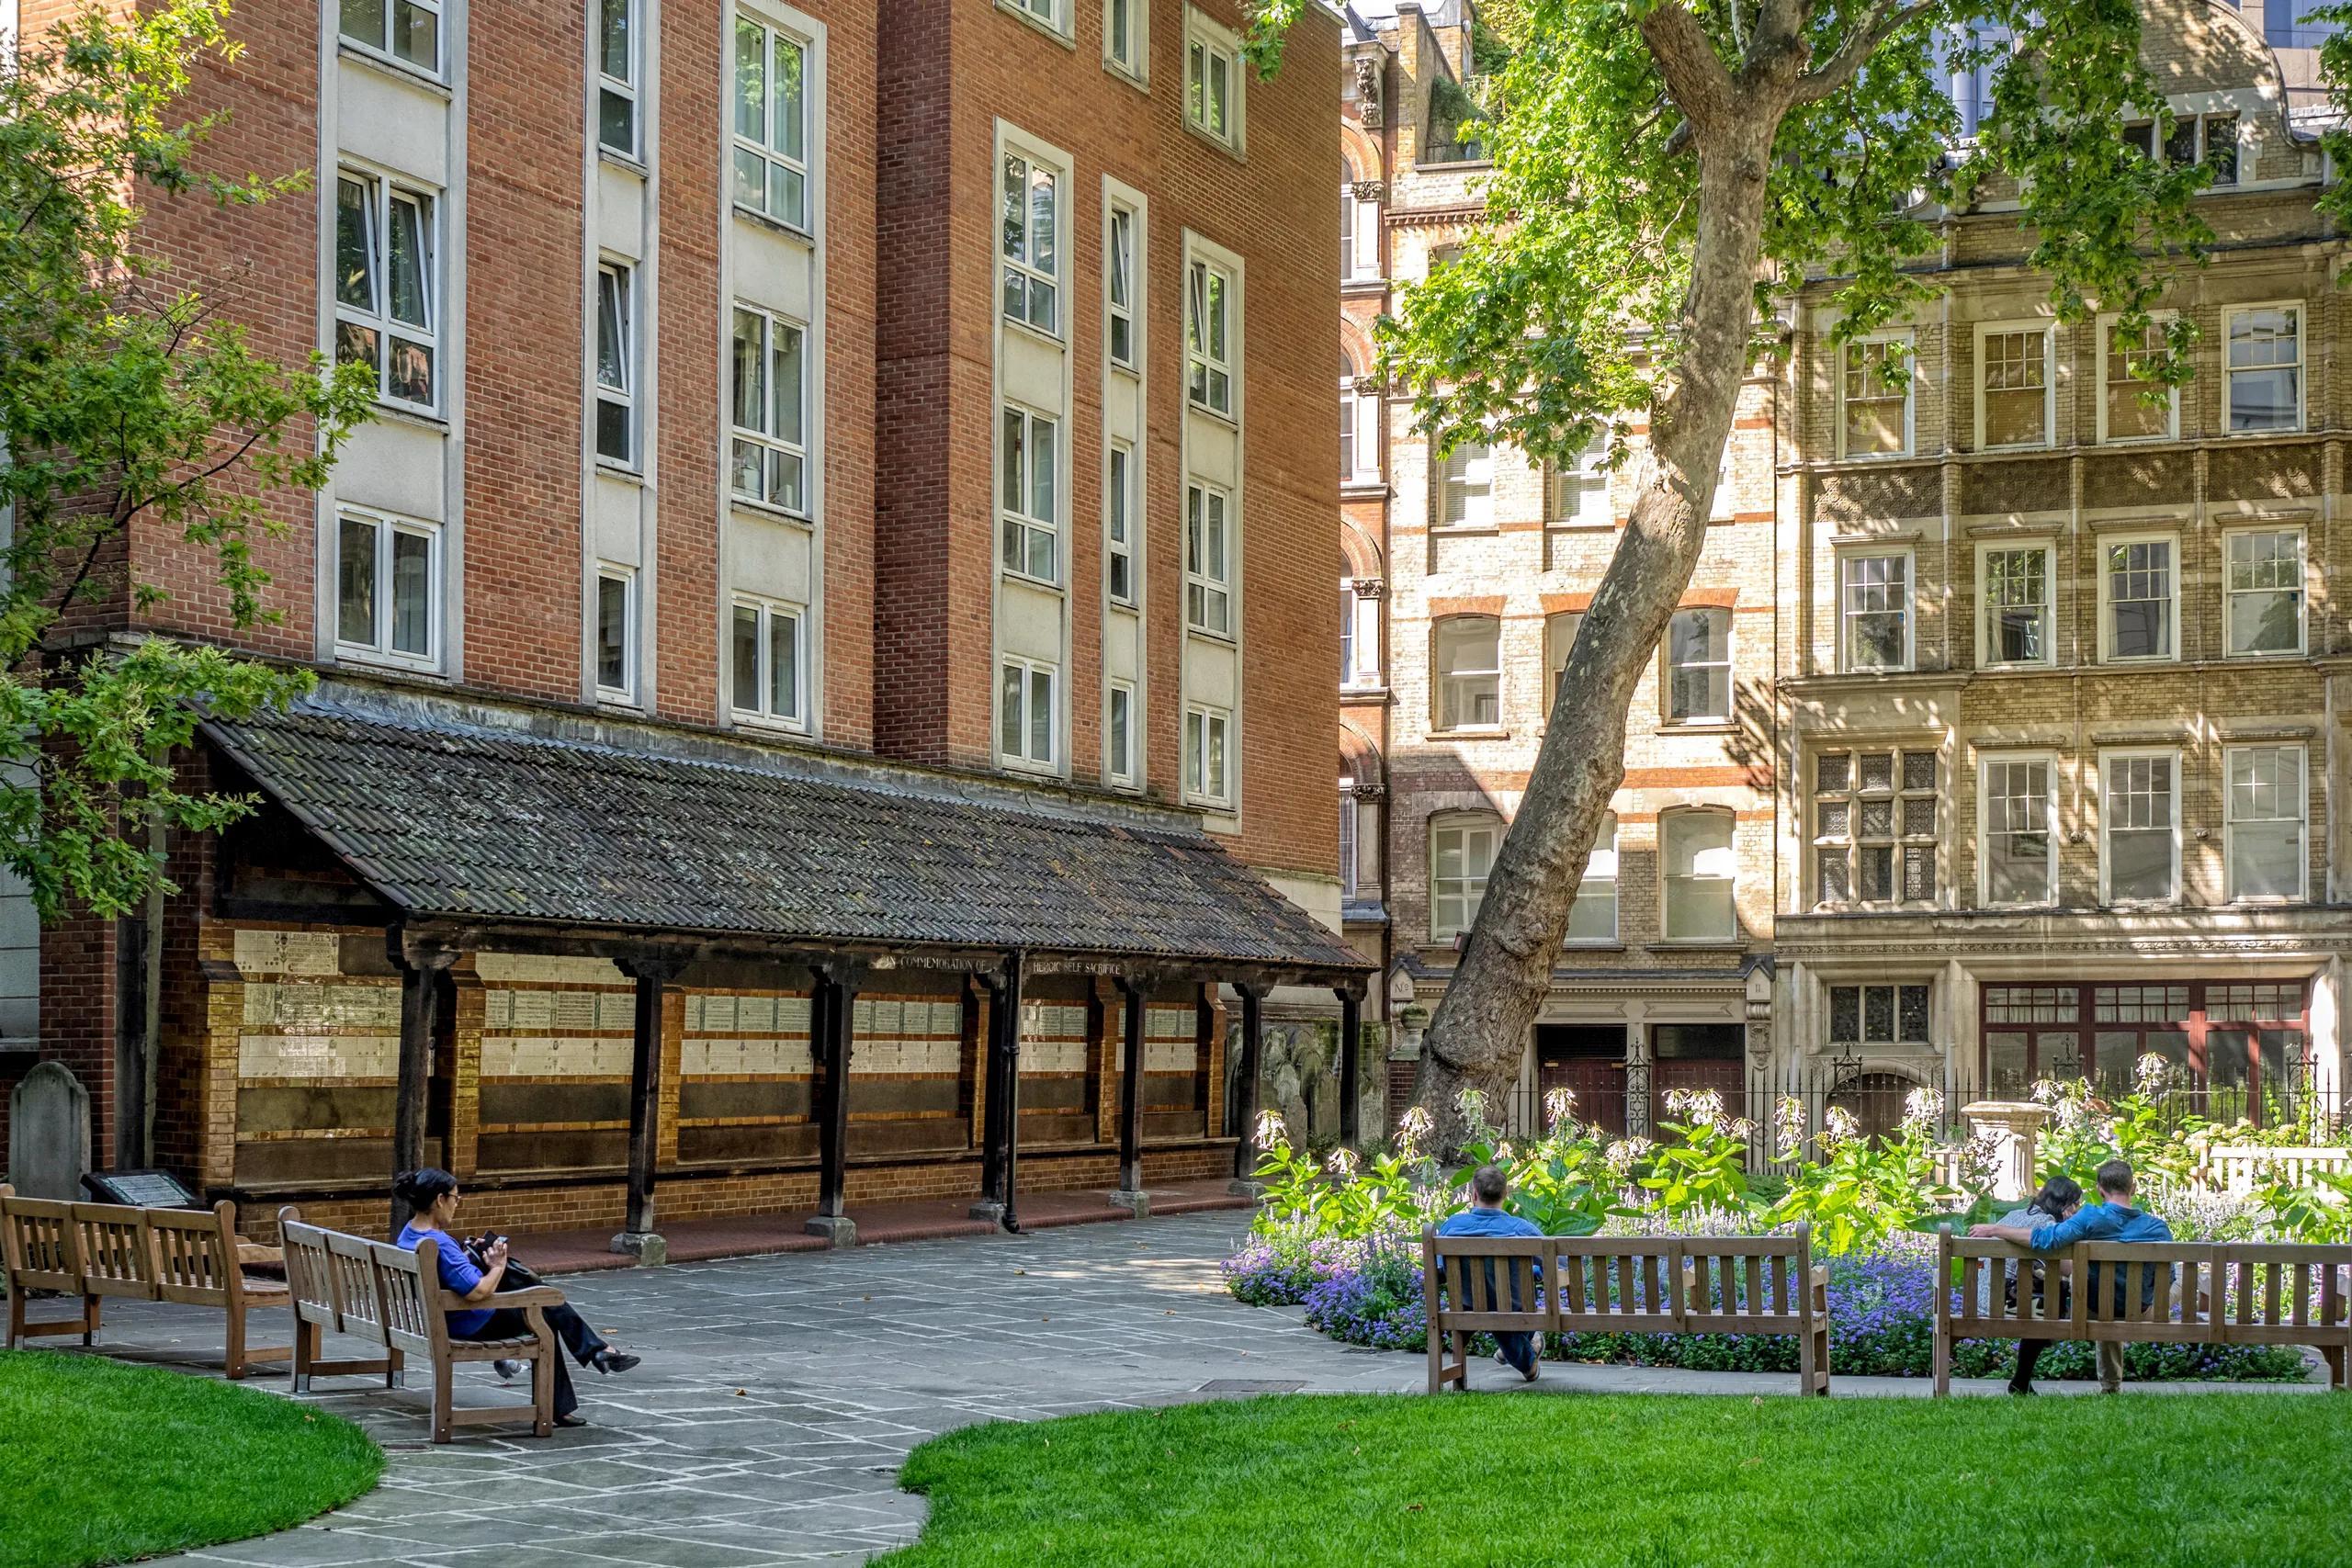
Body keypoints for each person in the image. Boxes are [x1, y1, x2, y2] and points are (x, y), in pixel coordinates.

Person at [392, 1168, 641, 1427]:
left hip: (440, 1317)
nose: (457, 1204)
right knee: (541, 1308)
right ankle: (592, 1357)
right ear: (440, 1200)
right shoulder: (438, 1243)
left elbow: (451, 1274)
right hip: (466, 1324)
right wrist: (497, 1266)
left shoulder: (409, 1234)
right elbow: (477, 1291)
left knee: (539, 1302)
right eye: (456, 1198)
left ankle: (594, 1354)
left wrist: (472, 1254)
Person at [1971, 1157, 2172, 1393]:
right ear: (2133, 1188)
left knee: (2104, 1301)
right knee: (2147, 1291)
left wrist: (1994, 1228)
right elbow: (2169, 1278)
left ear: (2100, 1189)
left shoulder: (2088, 1217)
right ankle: (2110, 1387)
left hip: (2097, 1307)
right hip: (2143, 1310)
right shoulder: (2158, 1228)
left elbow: (2045, 1240)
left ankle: (2110, 1386)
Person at [1435, 1164, 1543, 1383]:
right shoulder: (1521, 1229)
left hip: (1466, 1305)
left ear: (1473, 1194)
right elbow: (1557, 1264)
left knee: (1496, 1309)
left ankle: (1526, 1352)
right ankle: (1529, 1360)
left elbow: (1440, 1270)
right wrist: (1533, 1272)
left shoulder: (1451, 1227)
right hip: (1513, 1307)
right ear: (1506, 1194)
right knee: (1505, 1313)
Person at [1984, 1174, 2081, 1395]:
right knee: (2050, 1308)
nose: (2077, 1209)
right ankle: (2021, 1381)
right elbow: (2069, 1269)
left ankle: (2021, 1382)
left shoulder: (2014, 1214)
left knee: (2045, 1303)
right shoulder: (2045, 1224)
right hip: (2005, 1302)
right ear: (2064, 1204)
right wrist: (2067, 1226)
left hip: (1983, 1297)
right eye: (2076, 1203)